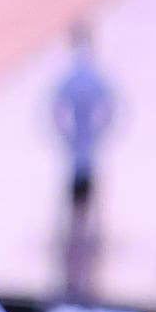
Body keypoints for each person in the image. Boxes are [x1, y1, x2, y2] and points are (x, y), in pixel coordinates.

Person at [51, 22, 116, 294]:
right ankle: (82, 242)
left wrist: (70, 135)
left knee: (81, 193)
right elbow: (111, 107)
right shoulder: (89, 77)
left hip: (81, 145)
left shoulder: (76, 78)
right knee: (81, 193)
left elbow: (55, 109)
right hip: (82, 145)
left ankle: (80, 242)